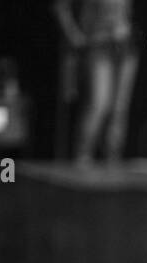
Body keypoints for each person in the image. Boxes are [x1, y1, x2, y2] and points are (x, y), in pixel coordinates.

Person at [54, 0, 139, 164]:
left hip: (125, 46)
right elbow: (61, 8)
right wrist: (75, 35)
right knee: (99, 104)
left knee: (120, 108)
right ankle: (83, 156)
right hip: (99, 46)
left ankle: (113, 159)